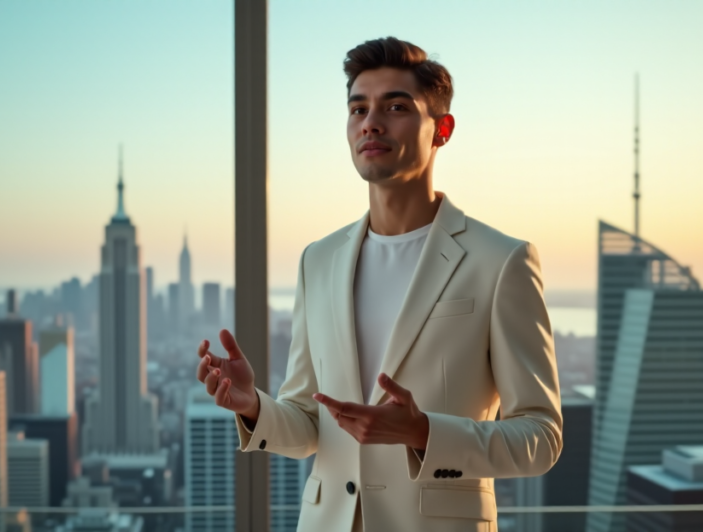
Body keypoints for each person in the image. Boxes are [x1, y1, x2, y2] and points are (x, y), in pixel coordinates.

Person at [197, 36, 562, 532]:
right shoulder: (319, 261)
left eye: (396, 106)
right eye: (358, 108)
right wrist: (254, 405)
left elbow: (541, 437)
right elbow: (310, 425)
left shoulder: (501, 261)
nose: (371, 121)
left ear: (443, 130)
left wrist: (424, 432)